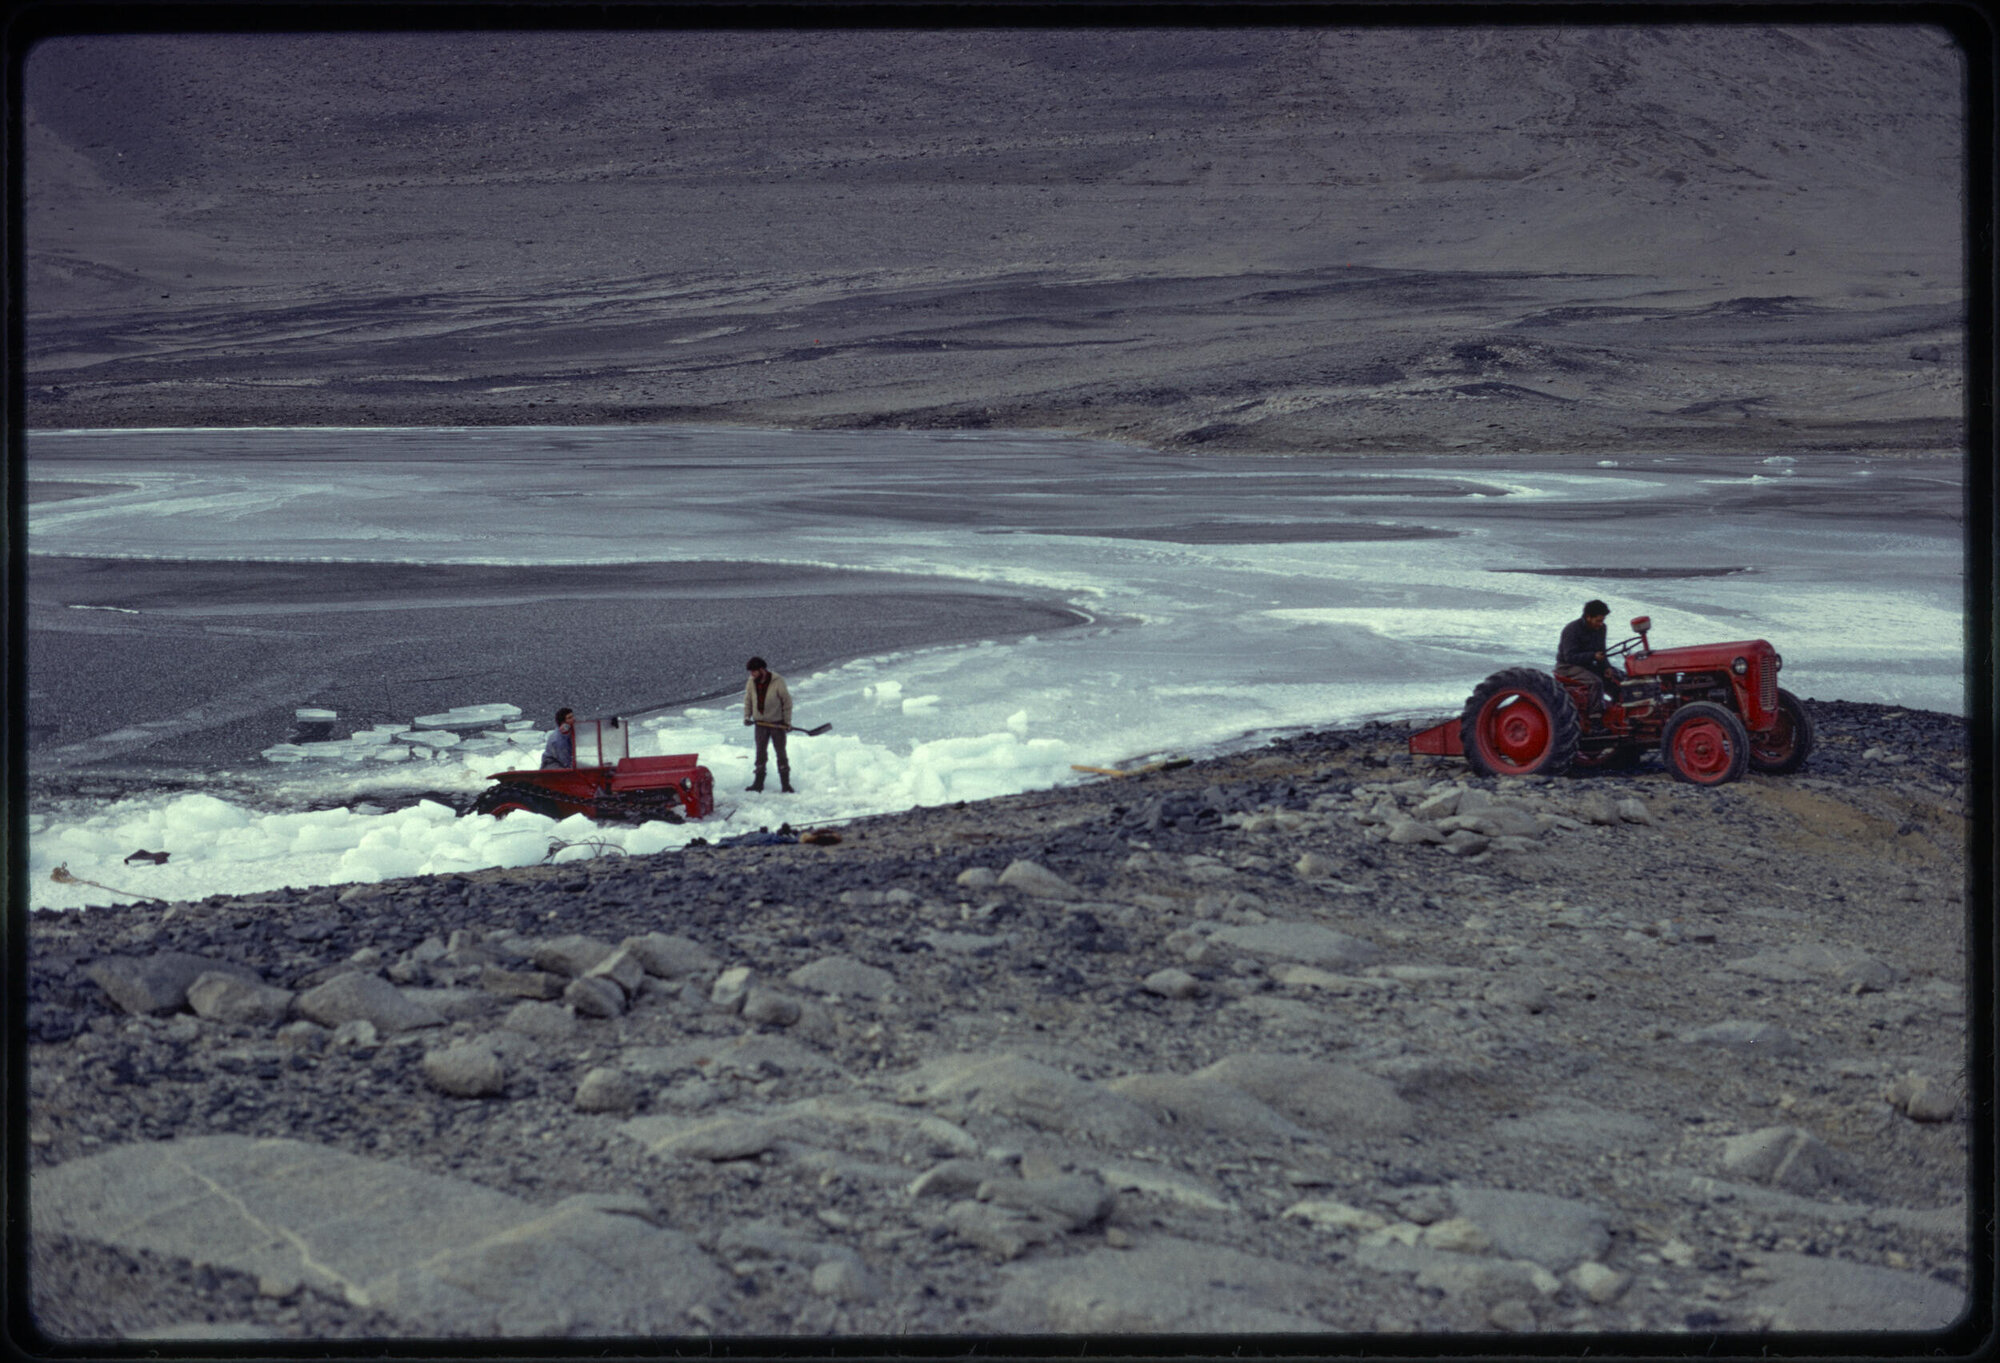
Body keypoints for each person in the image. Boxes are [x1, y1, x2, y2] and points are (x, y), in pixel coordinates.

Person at [1555, 600, 1620, 724]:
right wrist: (1593, 656)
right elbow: (1569, 657)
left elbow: (1602, 651)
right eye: (1598, 621)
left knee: (1618, 677)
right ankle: (1595, 719)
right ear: (1588, 617)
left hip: (1589, 664)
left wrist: (1606, 667)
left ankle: (1619, 710)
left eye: (1603, 620)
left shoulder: (1601, 628)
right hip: (1568, 666)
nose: (1601, 624)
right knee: (1595, 682)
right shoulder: (1572, 630)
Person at [742, 657, 795, 793]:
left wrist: (787, 722)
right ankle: (758, 784)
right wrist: (747, 716)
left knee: (781, 754)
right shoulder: (751, 682)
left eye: (754, 671)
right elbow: (748, 699)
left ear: (762, 670)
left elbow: (787, 702)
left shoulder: (778, 681)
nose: (751, 674)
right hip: (760, 724)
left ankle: (785, 785)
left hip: (777, 724)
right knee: (760, 754)